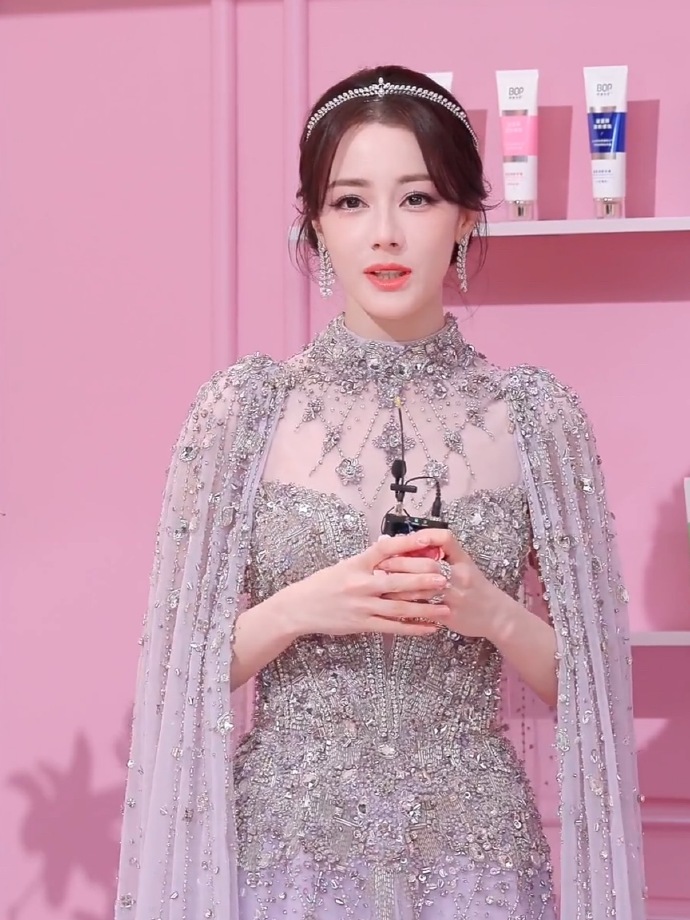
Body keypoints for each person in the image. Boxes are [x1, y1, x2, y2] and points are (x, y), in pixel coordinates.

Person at [115, 64, 646, 920]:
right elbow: (174, 679)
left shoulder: (534, 419)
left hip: (476, 853)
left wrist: (491, 612)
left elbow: (597, 690)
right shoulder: (245, 411)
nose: (385, 234)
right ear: (316, 224)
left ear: (465, 217)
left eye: (418, 198)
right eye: (351, 201)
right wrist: (301, 607)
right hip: (288, 851)